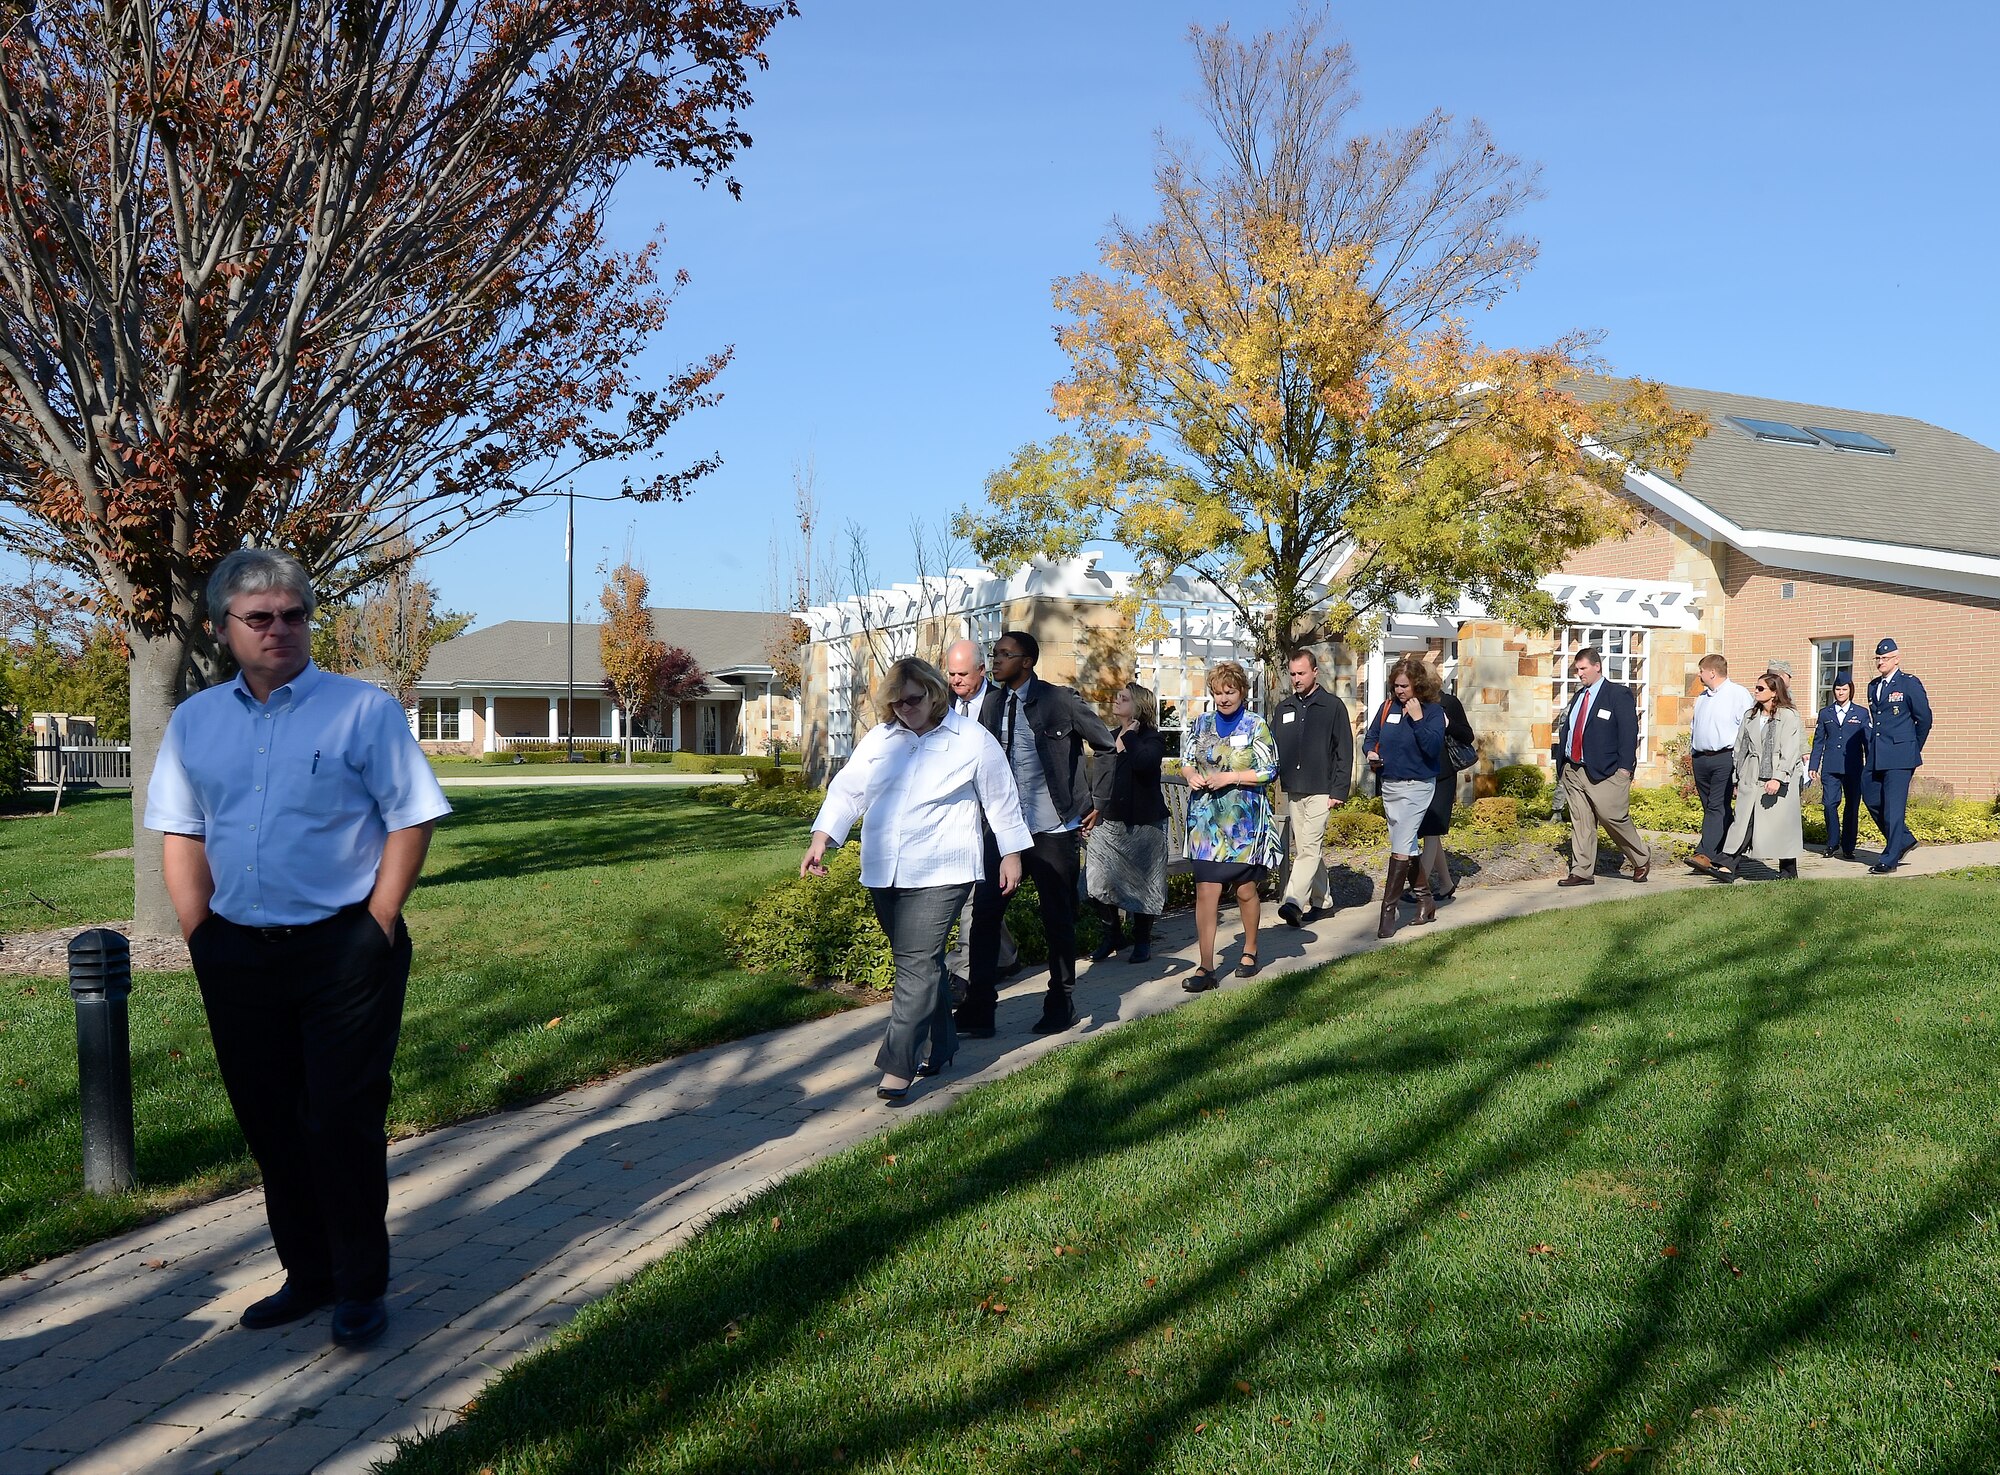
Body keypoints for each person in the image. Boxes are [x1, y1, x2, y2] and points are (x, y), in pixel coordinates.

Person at [144, 548, 451, 1349]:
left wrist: (378, 920)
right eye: (260, 618)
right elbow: (183, 832)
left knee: (341, 1119)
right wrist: (200, 934)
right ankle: (308, 1274)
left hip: (343, 949)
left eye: (294, 614)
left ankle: (358, 1285)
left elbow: (410, 816)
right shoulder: (194, 723)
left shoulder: (361, 710)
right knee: (273, 1121)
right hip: (236, 953)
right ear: (221, 630)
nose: (281, 629)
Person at [803, 657, 1030, 1102]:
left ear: (934, 693)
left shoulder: (970, 739)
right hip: (885, 867)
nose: (906, 707)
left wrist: (1012, 855)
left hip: (943, 868)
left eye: (914, 698)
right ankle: (943, 1044)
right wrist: (822, 836)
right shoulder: (882, 739)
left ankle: (898, 1065)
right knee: (920, 964)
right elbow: (849, 789)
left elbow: (1001, 799)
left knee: (916, 963)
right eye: (897, 701)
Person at [958, 630, 1117, 1036]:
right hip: (1003, 830)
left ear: (1027, 661)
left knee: (1057, 919)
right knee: (985, 916)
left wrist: (1097, 802)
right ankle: (979, 1009)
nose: (996, 661)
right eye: (994, 654)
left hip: (1053, 830)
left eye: (1005, 655)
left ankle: (1060, 1002)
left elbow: (1106, 746)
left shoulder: (1059, 700)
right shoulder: (991, 703)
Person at [1182, 662, 1280, 990]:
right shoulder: (1201, 723)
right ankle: (1206, 968)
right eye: (1218, 692)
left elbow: (1270, 769)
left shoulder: (1256, 725)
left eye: (1230, 692)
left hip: (1243, 824)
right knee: (1206, 891)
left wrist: (1232, 776)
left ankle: (1250, 949)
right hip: (1206, 823)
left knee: (1245, 890)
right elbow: (1185, 761)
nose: (1223, 698)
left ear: (1242, 692)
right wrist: (1191, 776)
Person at [940, 639, 1019, 987]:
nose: (956, 680)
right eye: (951, 674)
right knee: (980, 894)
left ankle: (963, 971)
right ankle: (1005, 956)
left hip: (993, 812)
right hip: (956, 812)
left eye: (962, 674)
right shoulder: (942, 704)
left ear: (981, 671)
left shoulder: (1003, 703)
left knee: (979, 891)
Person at [1551, 646, 1650, 888]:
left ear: (1597, 666)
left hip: (1606, 771)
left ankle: (1641, 857)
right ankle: (1582, 871)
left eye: (1583, 668)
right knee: (1581, 821)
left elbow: (1629, 733)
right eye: (1577, 669)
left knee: (1612, 817)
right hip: (1574, 769)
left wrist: (1625, 769)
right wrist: (1562, 765)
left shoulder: (1617, 694)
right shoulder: (1579, 696)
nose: (1579, 673)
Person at [1083, 683, 1169, 964]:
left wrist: (1130, 737)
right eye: (1118, 697)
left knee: (1145, 884)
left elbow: (1145, 764)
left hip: (1144, 823)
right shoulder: (1106, 738)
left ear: (1140, 706)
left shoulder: (1152, 738)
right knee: (1094, 882)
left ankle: (1142, 940)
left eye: (1124, 698)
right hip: (1109, 824)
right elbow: (1098, 779)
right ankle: (1113, 934)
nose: (1117, 700)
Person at [1361, 657, 1445, 939]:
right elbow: (1371, 737)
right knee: (1406, 845)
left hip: (1418, 786)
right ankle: (1426, 901)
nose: (1399, 691)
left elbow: (1433, 747)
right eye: (1396, 685)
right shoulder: (1387, 708)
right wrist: (1371, 752)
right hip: (1391, 785)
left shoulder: (1432, 711)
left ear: (1417, 685)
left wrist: (1419, 718)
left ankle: (1388, 912)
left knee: (1399, 847)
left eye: (1404, 686)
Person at [1271, 648, 1352, 927]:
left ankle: (1293, 901)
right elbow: (1272, 749)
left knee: (1308, 848)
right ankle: (1324, 902)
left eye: (1301, 673)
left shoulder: (1332, 707)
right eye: (1292, 674)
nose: (1296, 678)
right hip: (1294, 790)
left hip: (1322, 790)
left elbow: (1345, 751)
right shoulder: (1283, 709)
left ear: (1315, 672)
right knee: (1308, 848)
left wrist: (1338, 791)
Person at [1714, 670, 1805, 880]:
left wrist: (1778, 777)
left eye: (1760, 688)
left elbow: (1790, 750)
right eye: (1755, 687)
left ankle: (1788, 872)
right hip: (1751, 773)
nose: (1755, 691)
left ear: (1774, 692)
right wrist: (1737, 778)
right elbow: (1740, 747)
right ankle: (1728, 864)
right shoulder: (1750, 715)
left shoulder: (1787, 716)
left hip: (1778, 775)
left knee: (1781, 825)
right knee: (1744, 819)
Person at [1863, 637, 1932, 874]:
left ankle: (1890, 859)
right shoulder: (1873, 686)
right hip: (1877, 753)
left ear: (1897, 659)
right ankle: (1903, 840)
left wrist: (1912, 747)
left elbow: (1924, 719)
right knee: (1871, 796)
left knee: (1893, 807)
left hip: (1900, 754)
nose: (1881, 662)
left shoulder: (1909, 683)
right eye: (1878, 658)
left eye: (1885, 658)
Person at [1687, 653, 1755, 872]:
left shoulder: (1738, 694)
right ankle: (1723, 849)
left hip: (1724, 758)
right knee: (1711, 807)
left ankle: (1705, 853)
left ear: (1712, 672)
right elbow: (1694, 726)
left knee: (1717, 805)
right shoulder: (1703, 697)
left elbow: (1746, 730)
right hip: (1701, 758)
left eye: (1701, 671)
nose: (1699, 675)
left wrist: (1741, 764)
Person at [1412, 682, 1474, 904]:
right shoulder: (1415, 705)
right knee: (1431, 832)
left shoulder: (1448, 703)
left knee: (1431, 831)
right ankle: (1446, 884)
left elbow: (1468, 735)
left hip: (1443, 774)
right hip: (1421, 774)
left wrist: (1448, 724)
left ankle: (1419, 886)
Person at [1807, 672, 1868, 860]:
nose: (1840, 692)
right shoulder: (1826, 713)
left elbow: (1868, 741)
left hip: (1853, 767)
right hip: (1831, 767)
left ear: (1850, 690)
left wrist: (1872, 765)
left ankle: (1848, 847)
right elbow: (1819, 741)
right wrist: (1813, 765)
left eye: (1844, 689)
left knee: (1852, 807)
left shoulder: (1861, 713)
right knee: (1829, 804)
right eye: (1837, 689)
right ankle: (1832, 843)